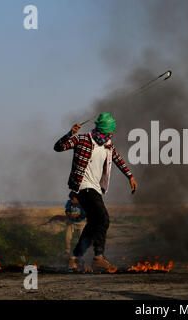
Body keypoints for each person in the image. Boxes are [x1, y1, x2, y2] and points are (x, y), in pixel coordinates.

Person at [54, 112, 138, 272]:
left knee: (94, 223)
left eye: (110, 134)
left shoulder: (107, 145)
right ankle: (98, 257)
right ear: (101, 130)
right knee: (103, 219)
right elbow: (58, 147)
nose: (109, 136)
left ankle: (75, 257)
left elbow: (118, 159)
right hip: (83, 187)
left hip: (96, 189)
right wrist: (70, 134)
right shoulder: (82, 140)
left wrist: (130, 176)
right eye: (107, 133)